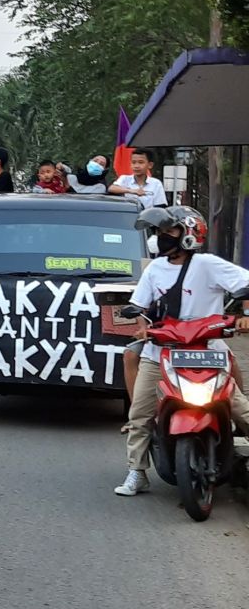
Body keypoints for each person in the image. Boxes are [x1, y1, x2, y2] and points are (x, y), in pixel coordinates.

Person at [115, 205, 249, 496]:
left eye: (170, 231)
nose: (163, 237)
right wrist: (141, 324)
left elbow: (245, 283)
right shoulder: (155, 270)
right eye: (160, 231)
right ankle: (136, 472)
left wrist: (244, 314)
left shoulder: (208, 264)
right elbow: (140, 306)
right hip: (161, 351)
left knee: (242, 409)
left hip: (208, 349)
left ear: (189, 233)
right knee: (139, 414)